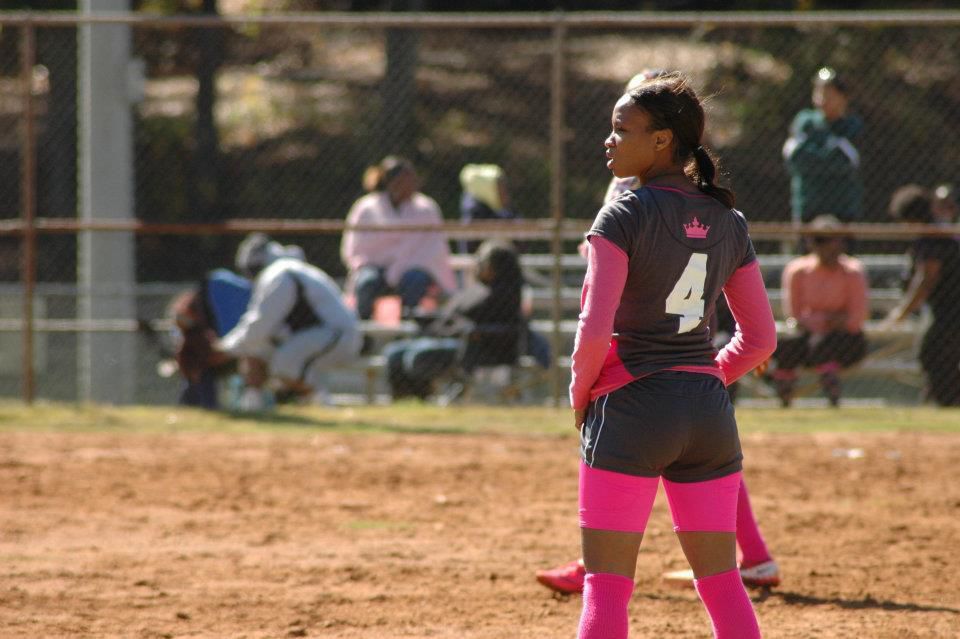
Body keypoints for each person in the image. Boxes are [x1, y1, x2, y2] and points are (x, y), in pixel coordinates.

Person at [539, 69, 780, 599]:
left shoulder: (623, 211)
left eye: (621, 129)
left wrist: (580, 397)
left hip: (630, 398)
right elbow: (762, 339)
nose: (610, 140)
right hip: (703, 400)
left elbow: (594, 327)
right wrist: (705, 375)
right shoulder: (729, 218)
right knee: (722, 587)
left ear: (663, 139)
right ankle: (756, 556)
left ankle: (598, 565)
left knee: (605, 591)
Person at [217, 233, 362, 411]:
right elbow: (258, 332)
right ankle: (251, 404)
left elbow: (259, 325)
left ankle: (323, 403)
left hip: (339, 336)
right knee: (256, 349)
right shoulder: (285, 270)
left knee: (283, 364)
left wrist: (222, 349)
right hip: (318, 335)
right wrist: (231, 347)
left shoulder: (279, 275)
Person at [382, 240, 540, 400]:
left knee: (417, 356)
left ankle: (423, 398)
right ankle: (411, 402)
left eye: (484, 263)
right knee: (394, 353)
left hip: (475, 350)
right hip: (451, 339)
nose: (480, 266)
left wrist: (451, 327)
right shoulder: (478, 289)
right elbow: (450, 316)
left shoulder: (504, 295)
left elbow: (474, 326)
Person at [769, 215, 869, 408]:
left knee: (822, 344)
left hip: (846, 341)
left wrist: (819, 320)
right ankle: (784, 401)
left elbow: (855, 319)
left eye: (832, 240)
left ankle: (833, 399)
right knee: (786, 346)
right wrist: (829, 319)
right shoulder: (797, 271)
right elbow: (794, 315)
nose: (827, 247)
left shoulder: (853, 271)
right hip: (810, 338)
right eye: (820, 240)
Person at [341, 156, 457, 320]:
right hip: (375, 267)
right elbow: (354, 247)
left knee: (414, 279)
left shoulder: (426, 208)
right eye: (405, 181)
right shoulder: (366, 208)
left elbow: (434, 248)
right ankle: (363, 330)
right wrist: (382, 265)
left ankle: (409, 325)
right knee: (366, 281)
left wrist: (402, 266)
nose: (412, 185)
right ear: (390, 182)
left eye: (413, 180)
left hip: (413, 267)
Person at [884, 185, 960, 406]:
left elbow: (927, 279)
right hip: (945, 307)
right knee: (936, 353)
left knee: (931, 353)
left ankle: (948, 402)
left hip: (950, 307)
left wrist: (903, 312)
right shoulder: (938, 231)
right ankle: (943, 399)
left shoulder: (932, 238)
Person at [783, 67, 863, 223]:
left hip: (842, 206)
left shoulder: (852, 125)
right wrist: (828, 156)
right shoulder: (804, 121)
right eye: (819, 92)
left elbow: (846, 163)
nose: (822, 98)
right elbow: (795, 159)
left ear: (844, 97)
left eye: (829, 93)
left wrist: (814, 156)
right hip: (808, 205)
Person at [458, 164, 518, 255]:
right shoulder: (475, 214)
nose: (506, 193)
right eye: (500, 187)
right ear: (489, 189)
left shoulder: (500, 212)